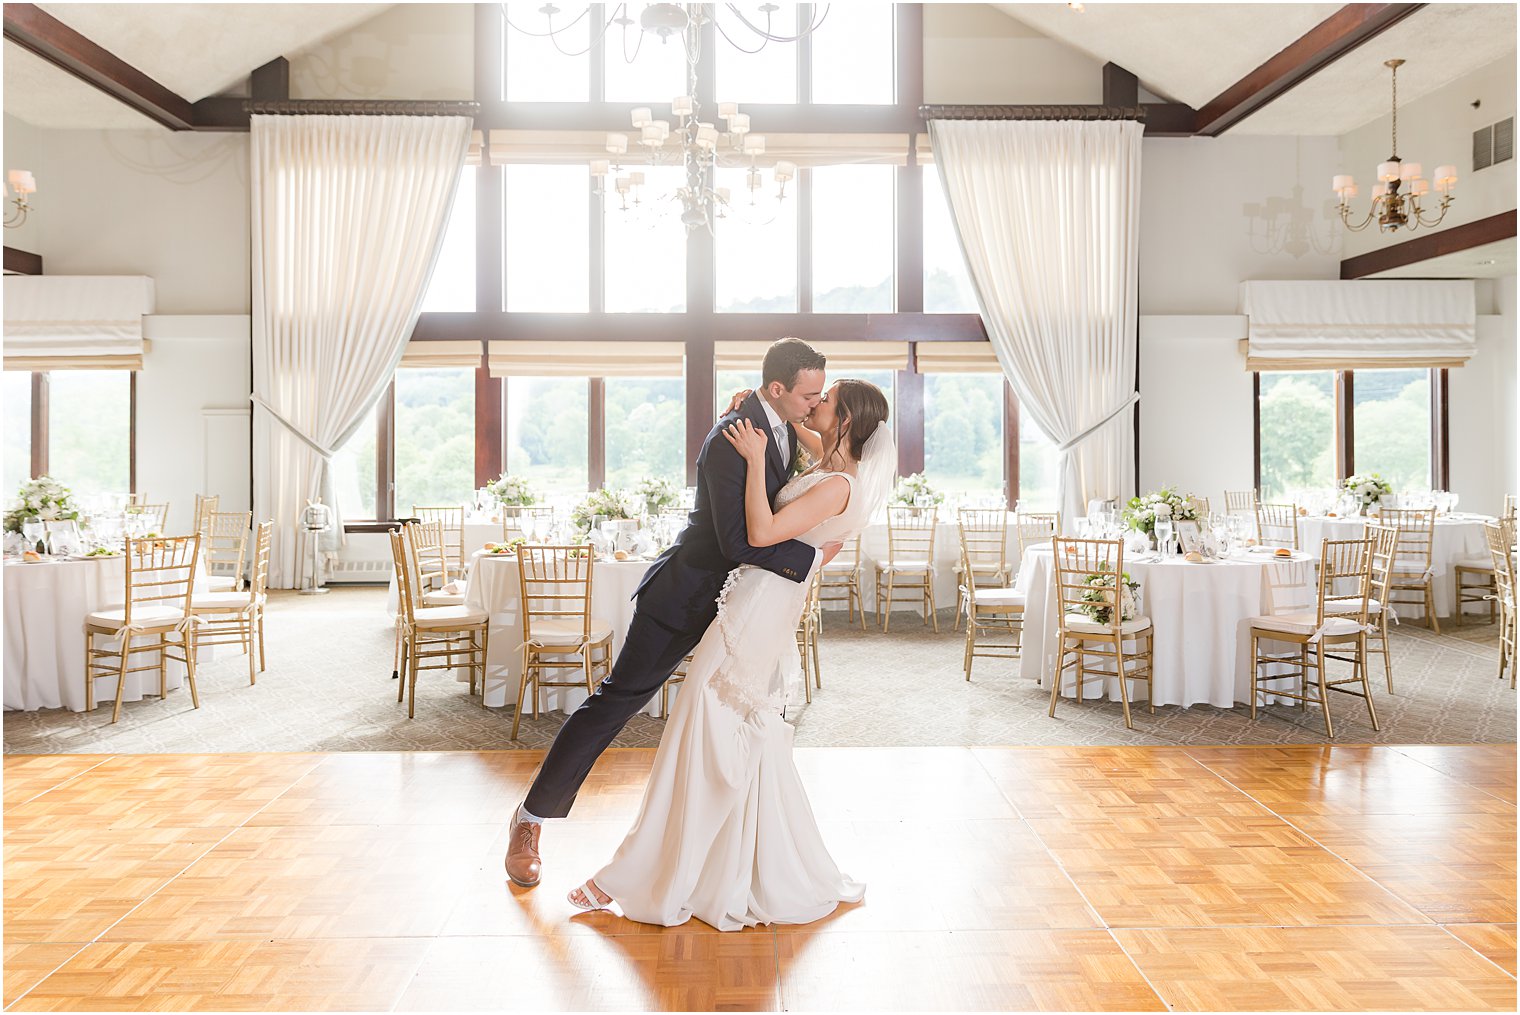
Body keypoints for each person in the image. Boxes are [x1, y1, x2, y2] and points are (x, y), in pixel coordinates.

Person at [505, 337, 843, 888]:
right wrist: (810, 558)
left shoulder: (781, 425)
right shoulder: (728, 439)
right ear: (778, 389)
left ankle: (734, 856)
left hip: (746, 606)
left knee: (742, 718)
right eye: (808, 394)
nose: (815, 402)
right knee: (615, 703)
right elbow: (737, 541)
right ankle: (529, 819)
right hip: (685, 596)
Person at [564, 378, 894, 930]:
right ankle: (736, 864)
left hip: (759, 608)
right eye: (812, 394)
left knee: (706, 724)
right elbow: (797, 425)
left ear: (847, 422)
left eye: (826, 401)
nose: (815, 404)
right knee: (723, 728)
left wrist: (759, 452)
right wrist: (759, 409)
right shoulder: (832, 462)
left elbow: (762, 532)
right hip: (752, 599)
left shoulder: (838, 485)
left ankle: (644, 873)